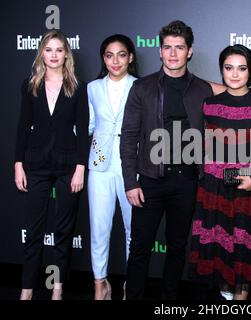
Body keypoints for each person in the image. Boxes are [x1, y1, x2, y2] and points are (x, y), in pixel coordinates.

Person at [120, 20, 213, 300]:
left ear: (190, 52)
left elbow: (212, 137)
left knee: (176, 247)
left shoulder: (202, 90)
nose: (173, 54)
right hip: (149, 180)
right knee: (139, 247)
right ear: (159, 52)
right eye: (168, 48)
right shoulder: (143, 88)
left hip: (186, 181)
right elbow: (128, 137)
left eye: (179, 48)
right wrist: (129, 182)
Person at [188, 44, 251, 300]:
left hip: (247, 188)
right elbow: (204, 145)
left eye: (241, 68)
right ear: (222, 70)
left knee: (242, 253)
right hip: (214, 190)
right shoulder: (210, 104)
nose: (235, 74)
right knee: (218, 253)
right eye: (229, 68)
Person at [14, 30, 89, 300]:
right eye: (49, 49)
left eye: (59, 49)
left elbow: (83, 130)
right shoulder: (30, 85)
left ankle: (57, 289)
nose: (54, 55)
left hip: (69, 166)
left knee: (63, 231)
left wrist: (81, 167)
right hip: (35, 165)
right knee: (33, 232)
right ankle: (26, 290)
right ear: (41, 53)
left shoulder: (78, 87)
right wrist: (18, 164)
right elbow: (23, 126)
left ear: (66, 54)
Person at [87, 34, 138, 300]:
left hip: (132, 165)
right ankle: (100, 284)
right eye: (109, 55)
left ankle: (131, 283)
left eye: (121, 54)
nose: (115, 61)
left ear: (130, 57)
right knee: (99, 227)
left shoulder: (141, 86)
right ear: (103, 59)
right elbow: (89, 124)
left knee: (134, 229)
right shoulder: (92, 88)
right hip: (98, 164)